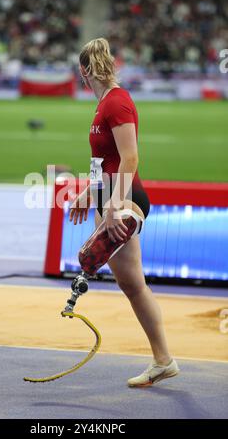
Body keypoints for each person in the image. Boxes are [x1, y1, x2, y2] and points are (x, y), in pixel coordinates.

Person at [69, 38, 179, 387]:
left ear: (86, 70)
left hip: (126, 199)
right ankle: (163, 361)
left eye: (81, 71)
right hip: (110, 197)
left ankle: (164, 359)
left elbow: (130, 159)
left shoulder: (117, 102)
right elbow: (105, 164)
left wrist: (115, 206)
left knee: (106, 267)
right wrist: (88, 193)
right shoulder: (103, 105)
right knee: (132, 284)